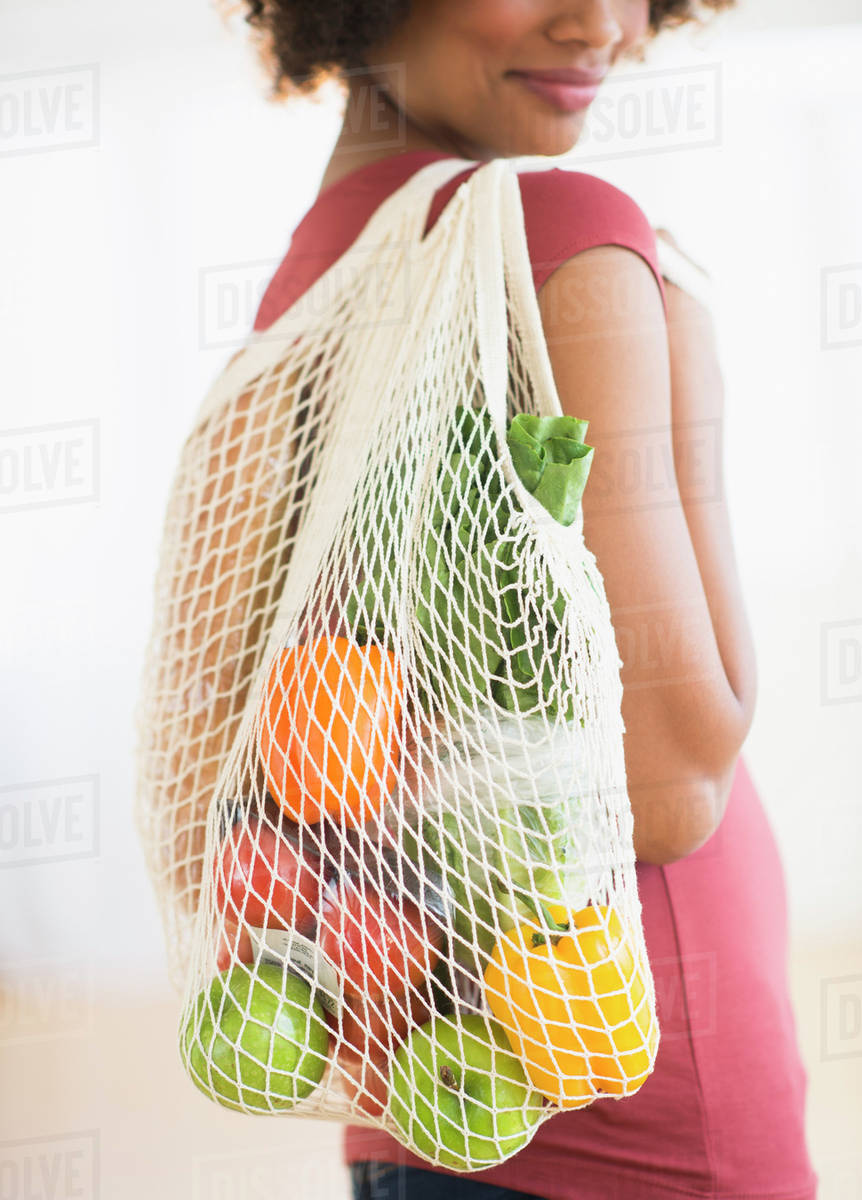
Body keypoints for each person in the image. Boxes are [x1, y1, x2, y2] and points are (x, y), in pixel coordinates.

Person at [225, 2, 818, 1198]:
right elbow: (670, 788)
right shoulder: (562, 231)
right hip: (632, 1112)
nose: (597, 19)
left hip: (429, 1083)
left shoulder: (316, 264)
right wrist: (683, 369)